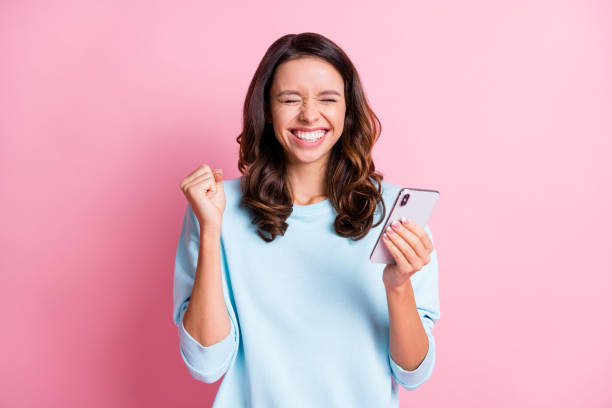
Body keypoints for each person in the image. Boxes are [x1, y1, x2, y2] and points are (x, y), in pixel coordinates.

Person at [173, 32, 440, 407]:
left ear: (349, 110)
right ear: (266, 109)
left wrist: (398, 286)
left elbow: (413, 373)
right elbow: (206, 364)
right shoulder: (215, 207)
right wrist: (212, 229)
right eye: (290, 99)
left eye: (328, 99)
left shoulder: (395, 213)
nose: (309, 114)